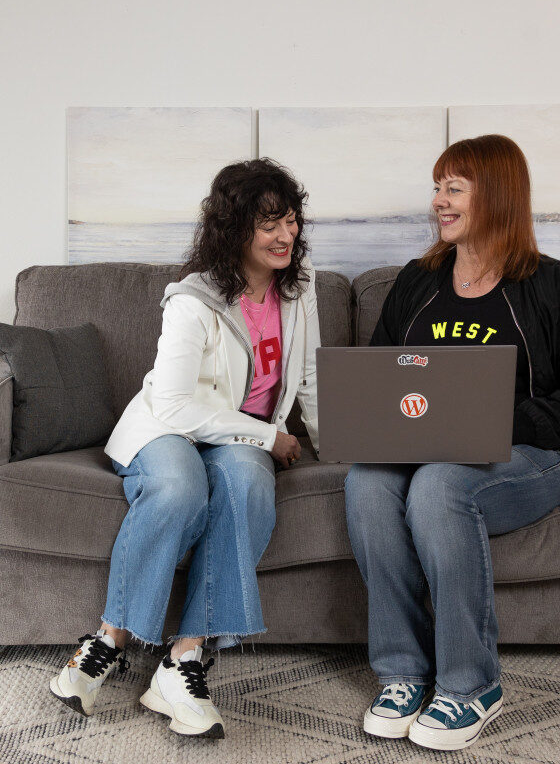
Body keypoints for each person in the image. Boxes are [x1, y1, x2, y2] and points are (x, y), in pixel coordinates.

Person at [49, 158, 320, 738]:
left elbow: (313, 374)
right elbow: (172, 406)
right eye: (269, 223)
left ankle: (183, 661)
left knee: (247, 482)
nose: (285, 236)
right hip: (168, 428)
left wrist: (336, 444)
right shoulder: (193, 300)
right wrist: (267, 435)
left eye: (291, 221)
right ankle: (109, 639)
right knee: (177, 487)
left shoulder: (300, 289)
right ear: (235, 228)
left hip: (238, 439)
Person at [345, 134, 560, 752]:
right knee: (367, 481)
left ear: (494, 195)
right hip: (426, 446)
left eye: (453, 188)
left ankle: (473, 686)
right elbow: (380, 376)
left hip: (527, 457)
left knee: (439, 484)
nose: (438, 201)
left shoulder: (547, 288)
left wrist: (482, 420)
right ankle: (403, 674)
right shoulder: (418, 281)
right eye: (437, 188)